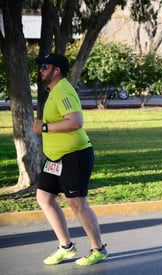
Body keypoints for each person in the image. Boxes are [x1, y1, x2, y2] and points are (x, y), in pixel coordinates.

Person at [32, 54, 108, 266]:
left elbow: (76, 121)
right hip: (55, 158)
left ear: (56, 70)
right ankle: (66, 247)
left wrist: (44, 128)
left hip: (74, 155)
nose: (41, 70)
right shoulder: (55, 91)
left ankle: (98, 249)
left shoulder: (64, 90)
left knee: (77, 204)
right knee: (44, 197)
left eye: (44, 67)